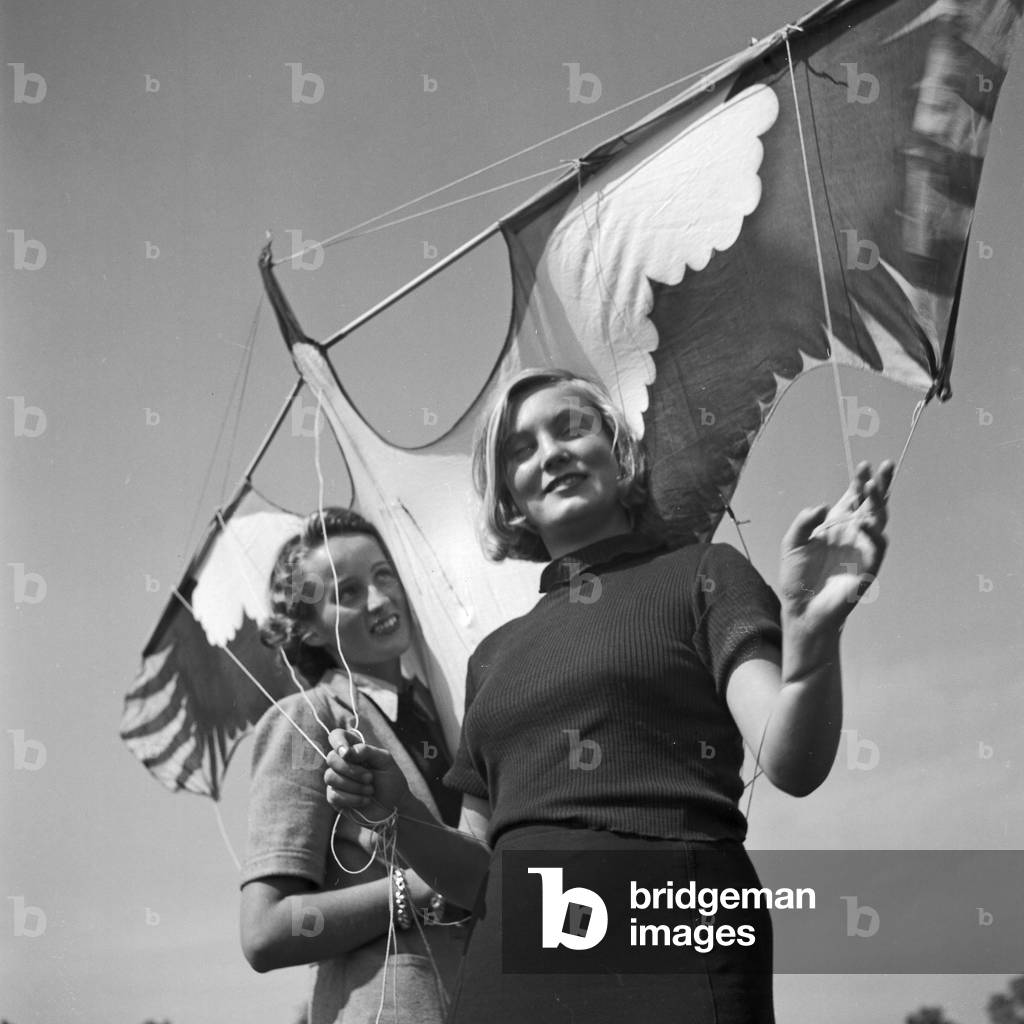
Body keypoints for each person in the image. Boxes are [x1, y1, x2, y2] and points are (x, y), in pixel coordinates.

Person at [323, 369, 893, 1023]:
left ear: (619, 452)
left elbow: (791, 761)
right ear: (508, 497)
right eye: (521, 448)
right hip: (513, 964)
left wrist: (813, 637)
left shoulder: (706, 574)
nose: (552, 453)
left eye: (572, 428)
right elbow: (473, 876)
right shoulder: (491, 658)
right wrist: (397, 809)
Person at [239, 508, 466, 1024]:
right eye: (349, 593)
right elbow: (265, 931)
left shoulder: (447, 712)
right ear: (311, 631)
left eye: (385, 576)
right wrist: (425, 886)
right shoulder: (306, 719)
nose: (381, 600)